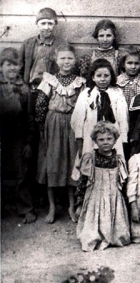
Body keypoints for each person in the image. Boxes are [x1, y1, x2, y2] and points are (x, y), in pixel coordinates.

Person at [35, 43, 85, 223]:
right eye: (62, 58)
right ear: (56, 61)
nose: (66, 62)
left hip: (72, 123)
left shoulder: (80, 82)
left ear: (75, 60)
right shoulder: (49, 80)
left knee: (72, 162)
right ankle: (52, 207)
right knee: (53, 163)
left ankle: (72, 206)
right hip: (53, 123)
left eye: (70, 58)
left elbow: (82, 105)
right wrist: (42, 128)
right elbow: (40, 105)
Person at [75, 121, 130, 251]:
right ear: (95, 141)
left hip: (113, 196)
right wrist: (79, 203)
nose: (105, 142)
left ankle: (113, 236)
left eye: (109, 139)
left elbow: (123, 183)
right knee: (93, 226)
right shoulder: (91, 158)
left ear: (115, 139)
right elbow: (82, 182)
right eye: (101, 139)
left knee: (118, 228)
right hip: (95, 196)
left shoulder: (118, 159)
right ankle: (96, 237)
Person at [1, 47, 37, 224]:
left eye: (16, 65)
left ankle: (25, 207)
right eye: (8, 65)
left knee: (22, 172)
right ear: (1, 67)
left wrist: (29, 142)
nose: (12, 69)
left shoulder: (24, 89)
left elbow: (30, 117)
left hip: (19, 135)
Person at [71, 58, 129, 161]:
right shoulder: (86, 94)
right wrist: (80, 141)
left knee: (113, 162)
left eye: (106, 76)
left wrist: (123, 139)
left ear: (111, 77)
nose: (102, 79)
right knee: (91, 162)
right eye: (99, 76)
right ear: (93, 77)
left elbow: (123, 118)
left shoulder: (117, 93)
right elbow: (78, 118)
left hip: (113, 136)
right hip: (91, 135)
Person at [19, 7, 65, 90]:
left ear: (55, 24)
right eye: (43, 23)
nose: (46, 27)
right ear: (37, 24)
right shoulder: (27, 44)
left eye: (50, 24)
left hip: (52, 90)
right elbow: (19, 69)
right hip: (29, 89)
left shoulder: (62, 45)